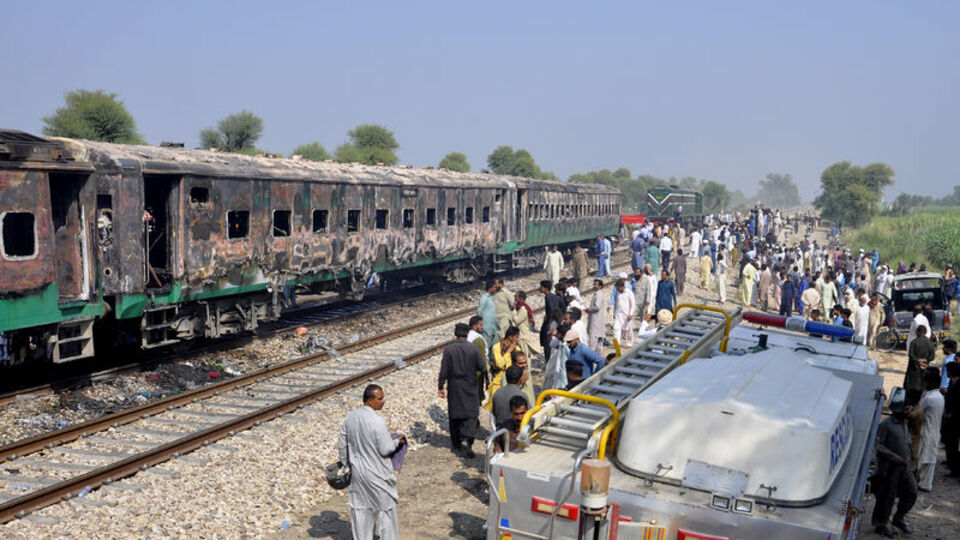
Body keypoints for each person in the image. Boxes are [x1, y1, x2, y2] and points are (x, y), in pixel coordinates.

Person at [339, 385, 406, 540]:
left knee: (361, 510)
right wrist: (397, 442)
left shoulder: (350, 417)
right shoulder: (377, 421)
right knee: (386, 509)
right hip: (377, 474)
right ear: (369, 400)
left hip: (358, 473)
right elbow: (385, 449)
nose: (383, 401)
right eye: (380, 398)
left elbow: (342, 443)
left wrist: (346, 464)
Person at [870, 394, 917, 537]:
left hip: (906, 467)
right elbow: (878, 446)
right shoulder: (886, 425)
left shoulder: (904, 423)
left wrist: (912, 461)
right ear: (898, 410)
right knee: (887, 497)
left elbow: (908, 443)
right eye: (906, 409)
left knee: (911, 493)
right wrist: (895, 458)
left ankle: (899, 518)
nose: (909, 411)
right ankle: (880, 524)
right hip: (891, 469)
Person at [438, 323, 487, 456]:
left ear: (456, 334)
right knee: (471, 414)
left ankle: (456, 444)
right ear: (467, 334)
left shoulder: (449, 349)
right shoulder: (474, 349)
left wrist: (440, 386)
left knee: (455, 414)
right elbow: (482, 366)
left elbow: (444, 369)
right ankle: (467, 440)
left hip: (454, 386)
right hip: (470, 385)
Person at [917, 369, 945, 491]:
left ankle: (916, 481)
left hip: (926, 431)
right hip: (935, 431)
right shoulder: (940, 397)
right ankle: (926, 484)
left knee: (920, 457)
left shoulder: (929, 398)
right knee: (930, 459)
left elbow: (918, 411)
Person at [485, 326, 519, 411]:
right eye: (516, 337)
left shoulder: (517, 348)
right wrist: (508, 352)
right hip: (500, 379)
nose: (517, 339)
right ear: (510, 337)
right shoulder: (497, 347)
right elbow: (500, 363)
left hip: (513, 379)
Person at [492, 365, 529, 430]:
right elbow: (529, 415)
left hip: (499, 430)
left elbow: (494, 414)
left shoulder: (497, 392)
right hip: (514, 432)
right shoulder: (522, 395)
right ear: (521, 379)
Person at [905, 326, 935, 393]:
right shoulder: (930, 343)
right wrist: (925, 361)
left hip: (913, 369)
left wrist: (917, 361)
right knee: (923, 386)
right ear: (925, 332)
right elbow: (932, 357)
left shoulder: (914, 342)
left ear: (918, 332)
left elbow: (911, 354)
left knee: (912, 388)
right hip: (925, 368)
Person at [942, 362, 960, 475]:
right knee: (950, 442)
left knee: (954, 443)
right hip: (950, 418)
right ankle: (952, 465)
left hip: (956, 418)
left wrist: (951, 413)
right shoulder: (952, 383)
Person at [539, 281, 562, 362]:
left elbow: (552, 310)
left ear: (546, 288)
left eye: (541, 287)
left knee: (547, 342)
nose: (540, 288)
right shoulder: (553, 296)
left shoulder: (548, 297)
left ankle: (548, 361)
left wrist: (547, 318)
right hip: (554, 319)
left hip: (551, 321)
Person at [611, 279, 636, 348]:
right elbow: (616, 303)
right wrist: (614, 313)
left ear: (621, 287)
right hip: (618, 314)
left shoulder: (629, 293)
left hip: (627, 315)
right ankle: (616, 344)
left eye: (617, 288)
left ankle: (629, 343)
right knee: (616, 329)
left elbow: (633, 304)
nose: (617, 289)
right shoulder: (618, 293)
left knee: (628, 330)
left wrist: (631, 314)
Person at [585, 279, 606, 353]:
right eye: (594, 284)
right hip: (596, 319)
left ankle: (592, 353)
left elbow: (597, 307)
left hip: (596, 320)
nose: (594, 286)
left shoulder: (599, 294)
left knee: (593, 339)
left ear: (600, 286)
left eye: (596, 284)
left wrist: (588, 309)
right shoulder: (597, 293)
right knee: (597, 338)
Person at [477, 281, 499, 348]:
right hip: (487, 328)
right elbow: (480, 312)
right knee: (487, 346)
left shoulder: (491, 297)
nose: (495, 289)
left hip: (493, 327)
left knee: (495, 346)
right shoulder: (484, 298)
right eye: (494, 287)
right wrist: (482, 325)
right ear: (490, 288)